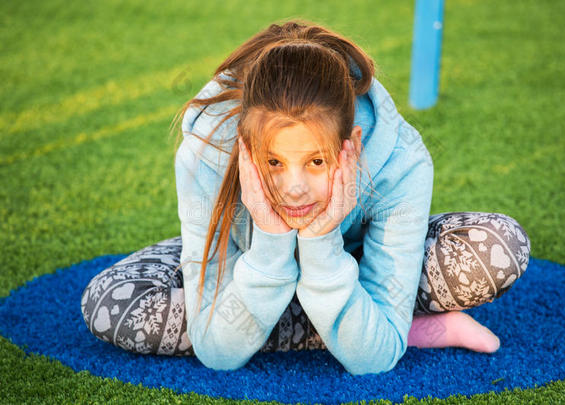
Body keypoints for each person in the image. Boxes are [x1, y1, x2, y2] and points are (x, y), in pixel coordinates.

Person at [80, 19, 531, 376]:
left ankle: (350, 321)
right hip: (250, 263)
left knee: (498, 247)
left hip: (348, 263)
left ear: (349, 144)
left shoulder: (401, 160)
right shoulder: (207, 155)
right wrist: (274, 241)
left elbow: (373, 363)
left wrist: (320, 240)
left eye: (315, 161)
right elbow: (216, 352)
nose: (293, 188)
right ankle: (388, 328)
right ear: (245, 143)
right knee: (112, 305)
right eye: (274, 162)